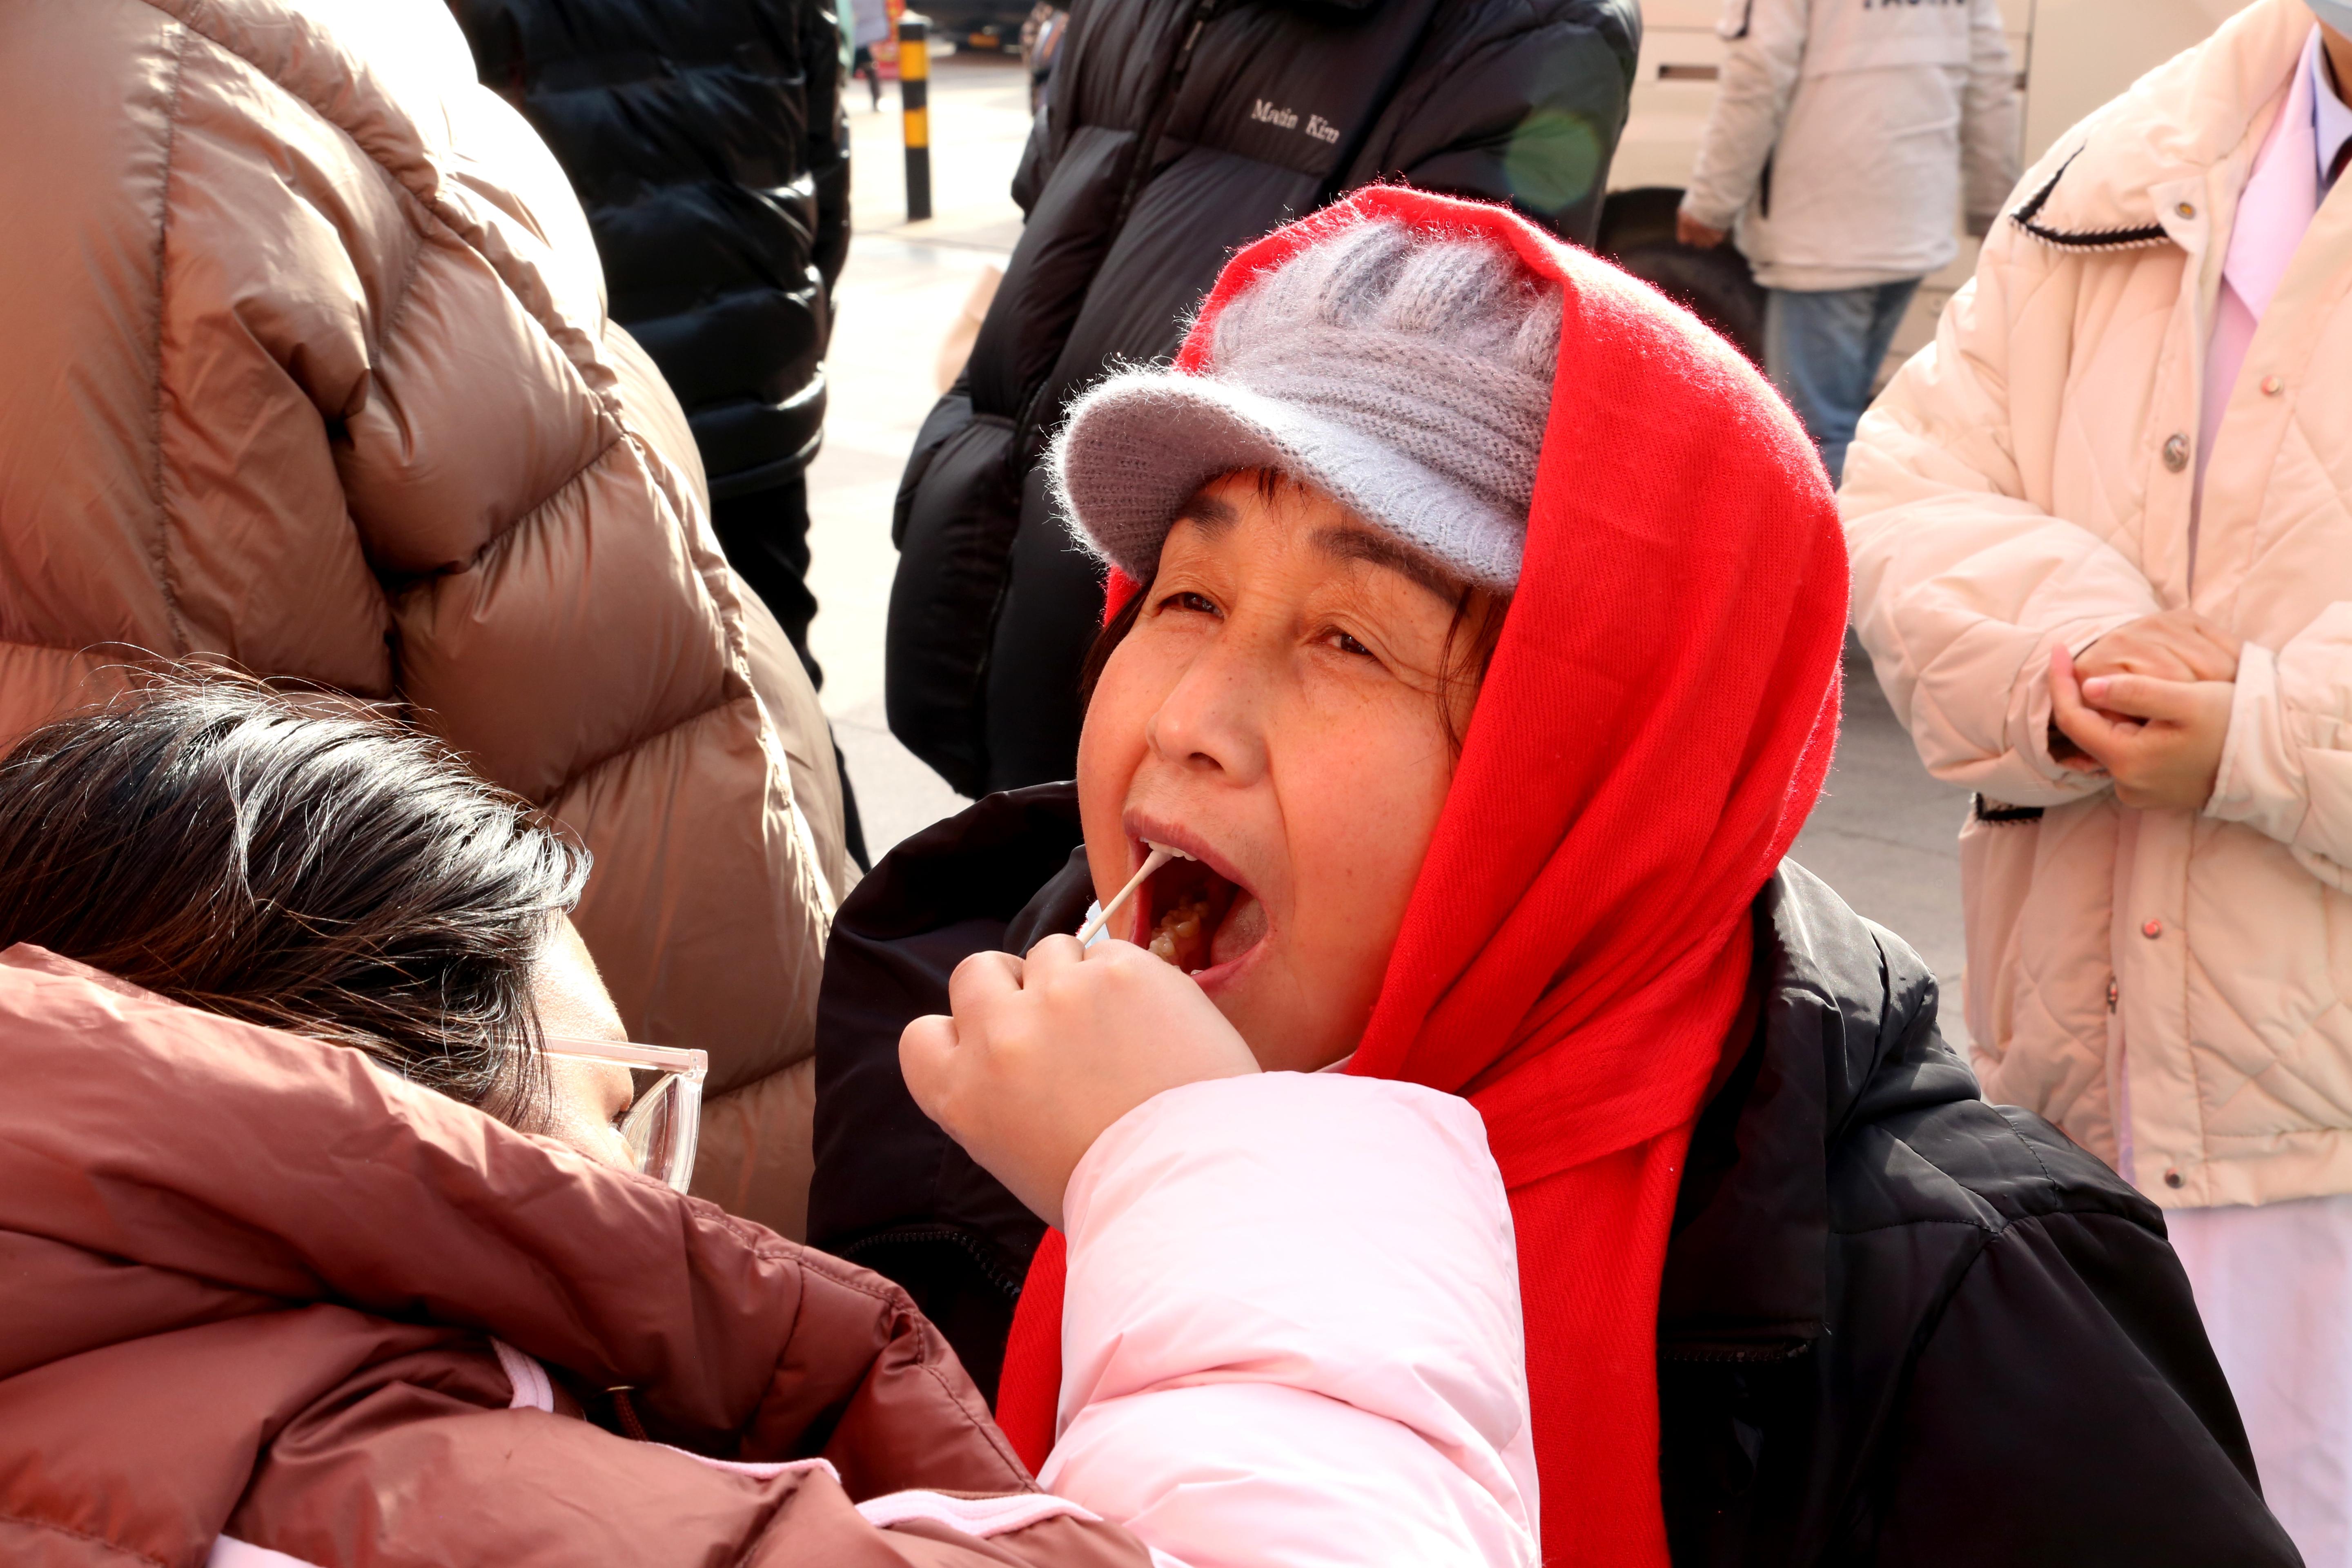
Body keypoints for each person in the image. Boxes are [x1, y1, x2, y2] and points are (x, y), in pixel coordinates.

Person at [814, 188, 2301, 1565]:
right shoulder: (956, 1092)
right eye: (1186, 596)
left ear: (1600, 769)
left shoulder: (1957, 1320)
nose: (1191, 722)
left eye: (1349, 640)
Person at [0, 678, 1539, 1568]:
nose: (1201, 718)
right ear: (402, 1125)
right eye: (619, 1110)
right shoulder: (459, 1507)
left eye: (1345, 641)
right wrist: (1217, 1166)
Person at [0, 0, 846, 1239]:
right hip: (571, 1093)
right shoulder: (162, 119)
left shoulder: (159, 129)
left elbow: (213, 883)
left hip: (574, 1091)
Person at [1842, 2, 2352, 1559]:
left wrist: (2268, 732)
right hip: (2082, 1100)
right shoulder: (2124, 159)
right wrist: (2075, 663)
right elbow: (1907, 487)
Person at [884, 0, 1642, 797]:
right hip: (989, 576)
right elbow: (1047, 217)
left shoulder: (1526, 28)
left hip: (1181, 687)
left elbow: (1422, 437)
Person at [450, 0, 871, 867]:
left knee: (599, 732)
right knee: (780, 684)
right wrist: (783, 335)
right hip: (749, 386)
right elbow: (824, 169)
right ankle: (852, 926)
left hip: (580, 396)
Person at [1674, 0, 2018, 483]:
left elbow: (1757, 75)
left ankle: (1838, 557)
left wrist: (1712, 201)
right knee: (1848, 425)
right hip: (1912, 222)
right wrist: (1993, 207)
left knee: (1812, 440)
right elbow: (1990, 80)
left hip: (1824, 229)